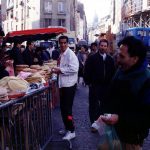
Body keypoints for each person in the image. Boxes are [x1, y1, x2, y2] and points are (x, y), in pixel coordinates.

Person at [98, 36, 150, 150]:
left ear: (135, 59)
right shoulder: (121, 70)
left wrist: (120, 118)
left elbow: (146, 118)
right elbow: (110, 95)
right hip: (113, 133)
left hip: (131, 140)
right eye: (118, 55)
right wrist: (103, 114)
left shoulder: (146, 79)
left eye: (122, 56)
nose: (117, 60)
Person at [83, 39, 116, 132]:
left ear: (107, 47)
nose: (103, 47)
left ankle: (100, 122)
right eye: (102, 45)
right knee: (93, 105)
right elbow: (86, 71)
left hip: (106, 86)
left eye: (105, 46)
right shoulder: (92, 58)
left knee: (104, 105)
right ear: (98, 46)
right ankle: (93, 124)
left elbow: (113, 72)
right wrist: (88, 82)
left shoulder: (110, 59)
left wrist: (112, 84)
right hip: (95, 85)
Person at [52, 35, 79, 140]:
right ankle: (67, 127)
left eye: (64, 43)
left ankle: (72, 130)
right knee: (63, 108)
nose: (63, 45)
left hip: (69, 85)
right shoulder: (62, 53)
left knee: (67, 109)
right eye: (61, 43)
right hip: (62, 84)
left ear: (67, 43)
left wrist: (60, 70)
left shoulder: (71, 54)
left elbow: (74, 69)